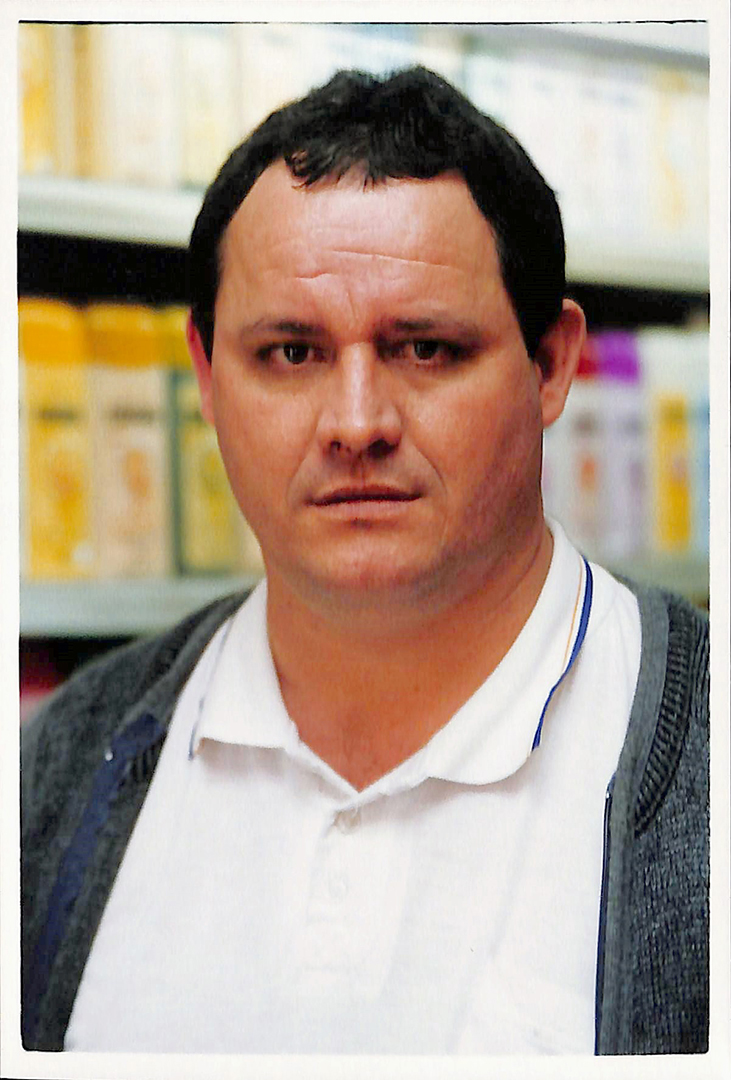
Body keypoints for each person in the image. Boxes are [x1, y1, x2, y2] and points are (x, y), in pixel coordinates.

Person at [21, 66, 708, 1056]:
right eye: (290, 354)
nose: (355, 423)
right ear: (207, 377)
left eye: (424, 349)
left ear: (550, 365)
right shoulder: (57, 769)